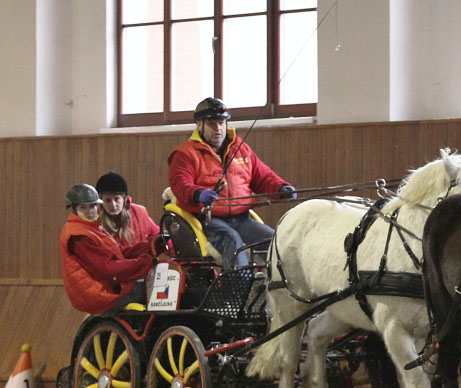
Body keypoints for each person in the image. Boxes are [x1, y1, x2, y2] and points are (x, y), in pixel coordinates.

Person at [167, 97, 297, 270]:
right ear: (199, 124)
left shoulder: (241, 148)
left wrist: (281, 188)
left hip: (242, 219)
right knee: (232, 240)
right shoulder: (185, 154)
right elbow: (180, 184)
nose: (218, 128)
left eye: (222, 123)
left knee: (274, 241)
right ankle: (235, 292)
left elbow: (263, 176)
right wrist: (198, 194)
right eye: (212, 124)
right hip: (209, 220)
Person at [59, 184, 156, 315]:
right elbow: (107, 268)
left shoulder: (92, 228)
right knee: (150, 285)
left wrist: (152, 245)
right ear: (74, 210)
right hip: (100, 294)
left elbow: (120, 254)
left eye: (92, 206)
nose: (90, 211)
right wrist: (145, 263)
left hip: (105, 287)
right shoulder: (79, 236)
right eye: (83, 208)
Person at [96, 171, 160, 253]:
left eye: (117, 199)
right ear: (101, 201)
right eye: (108, 200)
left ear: (124, 198)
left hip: (139, 263)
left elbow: (159, 237)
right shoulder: (95, 221)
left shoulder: (140, 213)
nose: (113, 205)